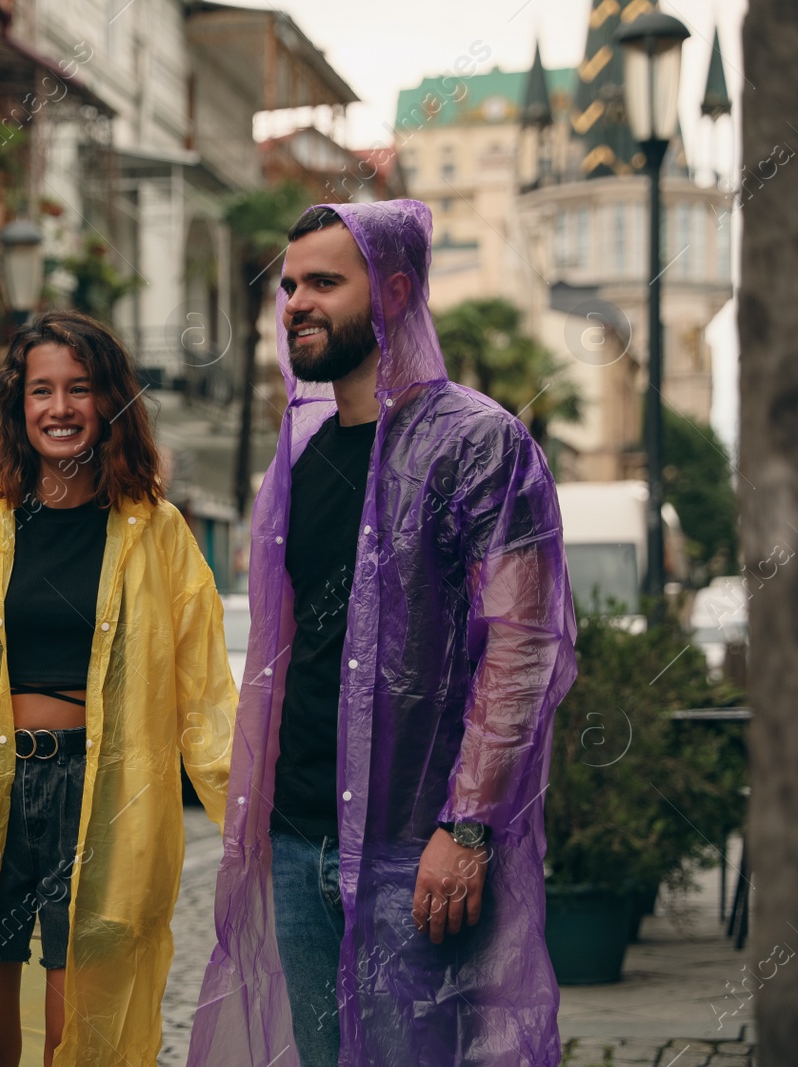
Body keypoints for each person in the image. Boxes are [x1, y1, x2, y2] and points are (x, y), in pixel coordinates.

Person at [186, 201, 577, 1067]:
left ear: (394, 292)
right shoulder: (301, 458)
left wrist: (468, 827)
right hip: (297, 841)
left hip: (416, 847)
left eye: (325, 281)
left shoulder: (481, 446)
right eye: (289, 285)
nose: (295, 302)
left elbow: (520, 647)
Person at [0, 310, 237, 1067]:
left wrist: (247, 814)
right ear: (19, 408)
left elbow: (204, 692)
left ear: (108, 401)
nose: (59, 408)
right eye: (41, 390)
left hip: (105, 795)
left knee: (78, 1033)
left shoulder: (159, 533)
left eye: (79, 388)